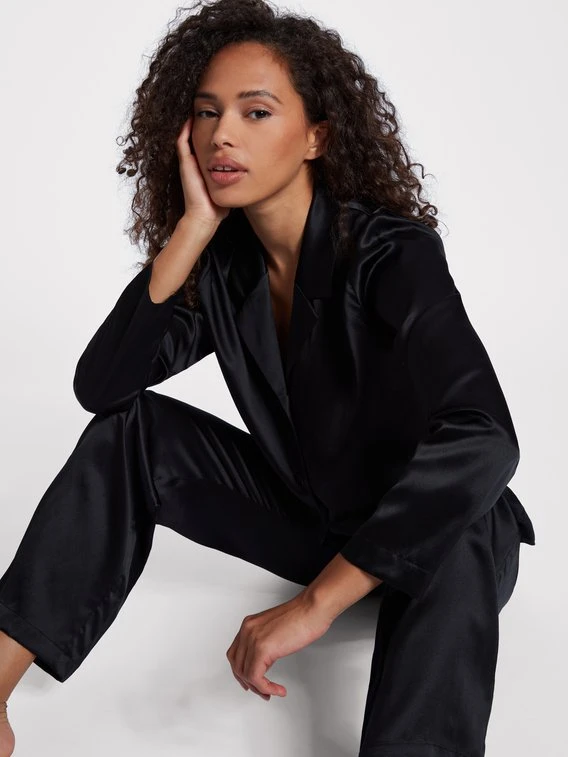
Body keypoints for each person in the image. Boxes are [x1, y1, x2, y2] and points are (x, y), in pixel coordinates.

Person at [0, 1, 536, 755]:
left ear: (317, 136)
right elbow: (105, 387)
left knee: (465, 517)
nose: (223, 134)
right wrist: (192, 229)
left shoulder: (391, 253)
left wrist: (315, 605)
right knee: (132, 431)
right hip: (316, 520)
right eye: (207, 113)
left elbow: (484, 437)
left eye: (256, 112)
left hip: (431, 534)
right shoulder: (225, 266)